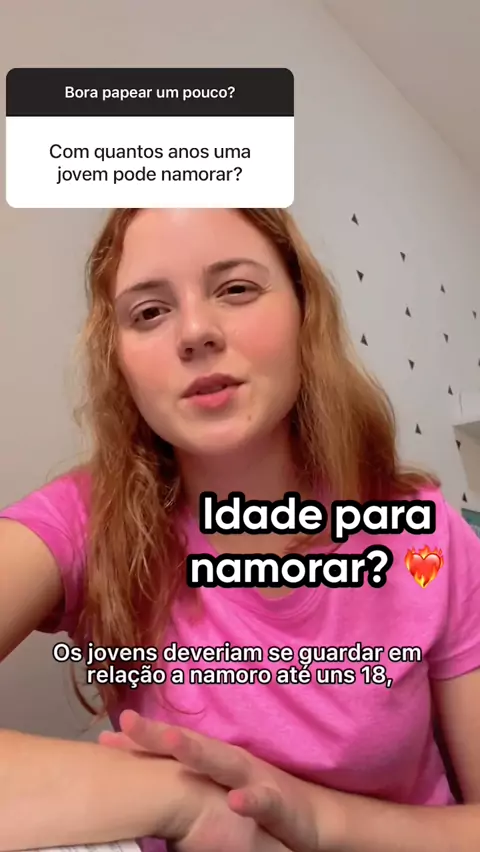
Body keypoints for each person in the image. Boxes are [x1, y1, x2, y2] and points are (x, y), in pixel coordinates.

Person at [0, 207, 479, 852]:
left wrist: (310, 817)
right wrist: (186, 800)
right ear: (119, 361)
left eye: (236, 289)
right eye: (149, 312)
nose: (195, 333)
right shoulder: (86, 519)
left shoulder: (426, 534)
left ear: (305, 311)